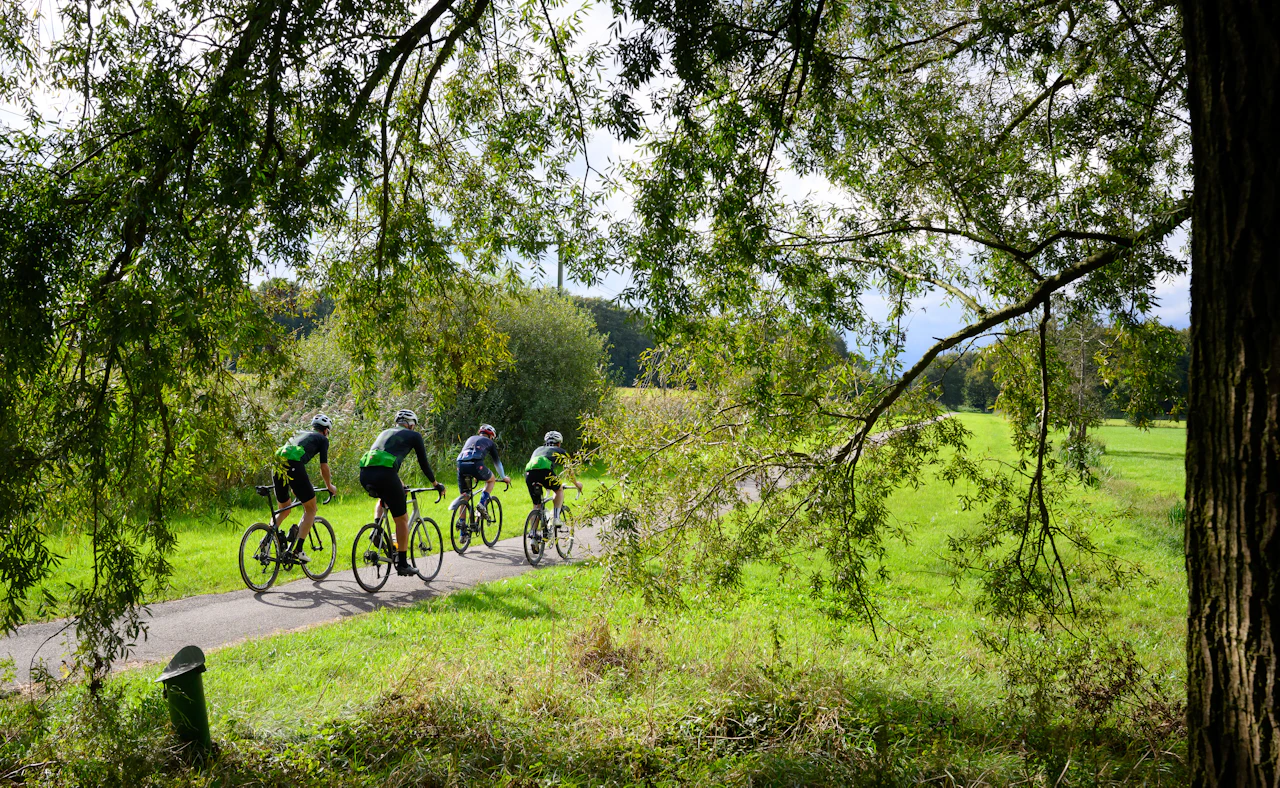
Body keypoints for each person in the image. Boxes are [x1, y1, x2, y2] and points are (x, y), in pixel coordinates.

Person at [358, 409, 445, 576]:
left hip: (365, 473)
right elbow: (424, 464)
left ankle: (377, 528)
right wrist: (435, 483)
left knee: (385, 496)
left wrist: (400, 484)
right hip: (386, 475)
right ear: (411, 425)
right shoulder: (414, 436)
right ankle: (403, 564)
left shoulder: (385, 432)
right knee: (402, 519)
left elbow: (382, 461)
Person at [273, 414, 338, 564]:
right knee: (311, 509)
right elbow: (324, 467)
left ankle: (268, 539)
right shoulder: (322, 439)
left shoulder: (299, 434)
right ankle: (298, 550)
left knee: (285, 509)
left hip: (276, 464)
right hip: (294, 466)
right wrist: (329, 486)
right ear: (326, 431)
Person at [524, 430, 582, 527]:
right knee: (558, 490)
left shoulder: (537, 450)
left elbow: (536, 468)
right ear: (559, 443)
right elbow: (569, 471)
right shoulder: (560, 451)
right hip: (545, 472)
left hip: (529, 474)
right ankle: (556, 518)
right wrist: (577, 484)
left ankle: (533, 535)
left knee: (536, 506)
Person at [455, 423, 510, 522]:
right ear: (490, 435)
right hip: (475, 464)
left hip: (460, 464)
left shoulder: (470, 438)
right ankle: (482, 504)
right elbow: (497, 463)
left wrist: (475, 474)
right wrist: (504, 477)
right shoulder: (490, 442)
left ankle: (463, 533)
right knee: (491, 479)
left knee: (464, 497)